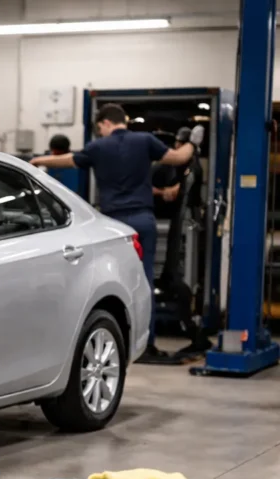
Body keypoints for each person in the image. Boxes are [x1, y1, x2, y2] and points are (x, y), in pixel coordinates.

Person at [29, 104, 202, 362]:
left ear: (106, 123)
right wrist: (193, 142)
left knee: (111, 284)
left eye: (100, 128)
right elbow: (178, 158)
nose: (100, 132)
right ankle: (147, 344)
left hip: (113, 224)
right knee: (144, 283)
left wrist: (37, 161)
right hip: (143, 221)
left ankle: (119, 340)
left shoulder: (98, 147)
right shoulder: (145, 141)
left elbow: (69, 160)